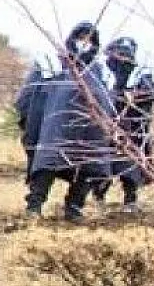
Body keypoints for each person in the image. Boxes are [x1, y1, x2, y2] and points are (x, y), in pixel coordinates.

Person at [15, 20, 119, 221]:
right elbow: (27, 98)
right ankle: (34, 207)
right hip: (54, 129)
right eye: (81, 38)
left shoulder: (103, 73)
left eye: (90, 39)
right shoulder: (51, 65)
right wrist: (31, 124)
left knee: (90, 167)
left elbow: (111, 106)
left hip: (91, 133)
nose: (85, 43)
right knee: (47, 164)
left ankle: (74, 207)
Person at [95, 36, 154, 214]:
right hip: (106, 125)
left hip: (132, 127)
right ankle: (98, 198)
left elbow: (149, 92)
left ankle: (130, 200)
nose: (122, 57)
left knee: (130, 164)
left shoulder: (140, 72)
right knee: (103, 164)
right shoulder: (102, 70)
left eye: (126, 53)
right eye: (119, 53)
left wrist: (134, 96)